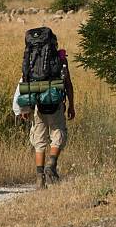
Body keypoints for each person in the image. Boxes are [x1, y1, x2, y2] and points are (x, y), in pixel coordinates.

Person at [13, 48, 75, 189]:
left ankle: (39, 179)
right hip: (56, 104)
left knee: (39, 141)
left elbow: (24, 82)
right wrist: (71, 105)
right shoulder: (60, 59)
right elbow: (68, 84)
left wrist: (25, 107)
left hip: (37, 105)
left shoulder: (32, 61)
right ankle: (51, 165)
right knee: (58, 133)